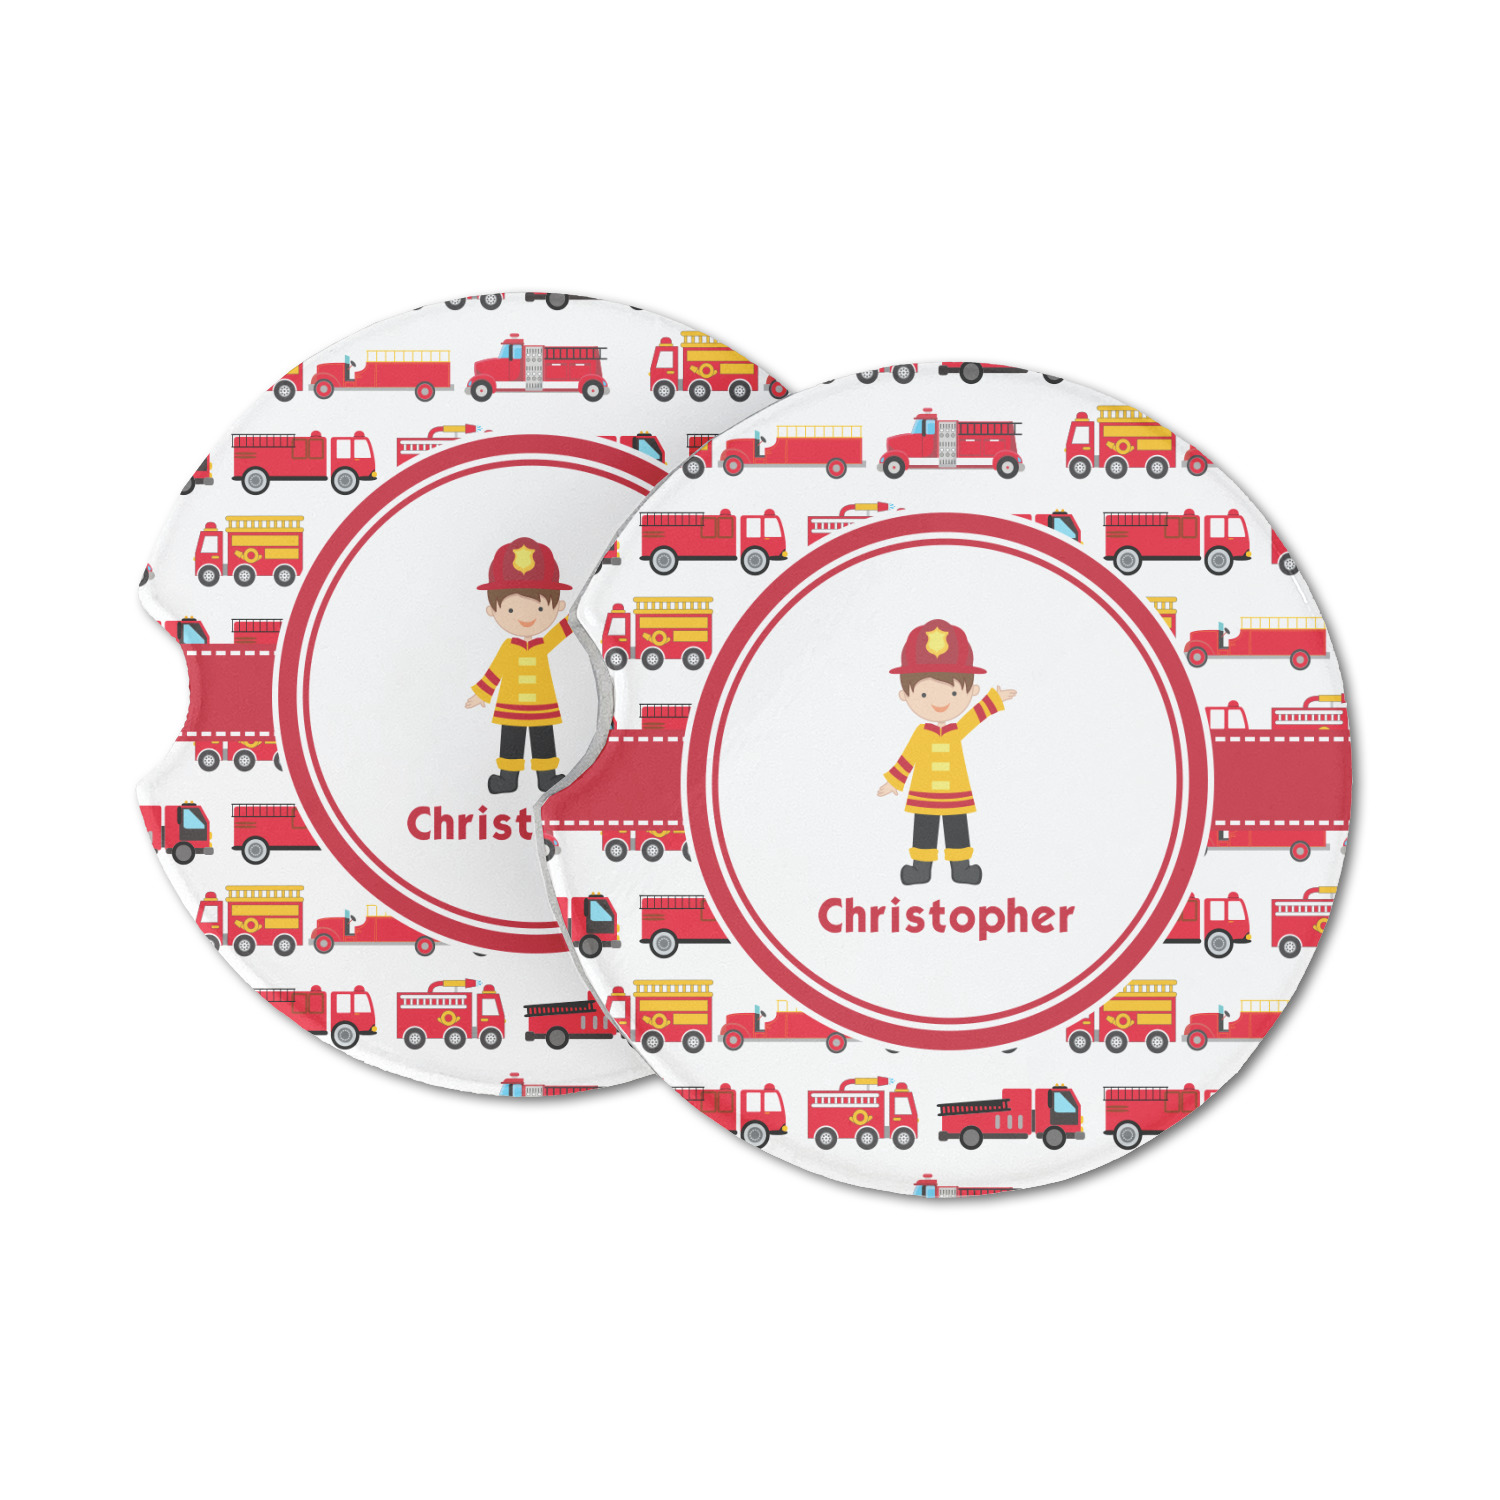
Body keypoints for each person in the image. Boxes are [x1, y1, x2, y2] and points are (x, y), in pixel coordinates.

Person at [877, 619, 1017, 886]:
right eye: (924, 694)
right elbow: (907, 758)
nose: (939, 702)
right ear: (905, 695)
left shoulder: (956, 731)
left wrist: (994, 700)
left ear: (971, 691)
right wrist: (894, 782)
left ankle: (961, 870)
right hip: (924, 797)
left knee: (957, 834)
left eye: (953, 692)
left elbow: (975, 717)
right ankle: (920, 871)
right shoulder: (921, 734)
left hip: (956, 796)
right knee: (924, 835)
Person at [465, 537, 573, 794]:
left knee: (544, 743)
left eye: (540, 608)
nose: (526, 617)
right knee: (510, 745)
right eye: (511, 610)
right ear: (493, 610)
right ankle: (508, 780)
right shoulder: (508, 648)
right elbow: (494, 672)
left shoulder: (543, 645)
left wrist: (578, 615)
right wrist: (481, 694)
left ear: (557, 606)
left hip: (542, 708)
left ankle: (547, 778)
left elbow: (564, 630)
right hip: (511, 709)